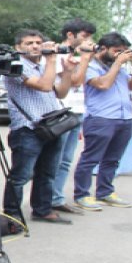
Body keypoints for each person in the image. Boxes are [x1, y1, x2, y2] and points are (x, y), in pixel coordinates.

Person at [3, 29, 75, 225]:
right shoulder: (15, 66)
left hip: (52, 126)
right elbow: (43, 86)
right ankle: (12, 214)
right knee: (20, 176)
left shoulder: (43, 66)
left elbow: (60, 93)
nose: (35, 46)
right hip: (28, 128)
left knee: (47, 172)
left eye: (37, 43)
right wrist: (51, 60)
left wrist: (67, 71)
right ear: (18, 47)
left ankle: (42, 209)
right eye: (29, 43)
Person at [72, 32, 132, 211]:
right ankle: (82, 194)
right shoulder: (91, 66)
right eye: (117, 51)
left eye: (123, 52)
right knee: (90, 158)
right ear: (103, 49)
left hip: (124, 118)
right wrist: (118, 64)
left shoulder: (118, 67)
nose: (120, 55)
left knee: (112, 160)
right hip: (100, 118)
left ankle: (105, 192)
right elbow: (103, 84)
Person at [51, 18, 96, 214]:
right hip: (61, 111)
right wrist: (86, 58)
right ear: (70, 35)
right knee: (55, 159)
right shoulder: (59, 54)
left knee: (66, 159)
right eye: (85, 36)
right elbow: (75, 82)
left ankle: (56, 197)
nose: (88, 41)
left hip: (76, 111)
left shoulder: (76, 55)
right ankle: (49, 198)